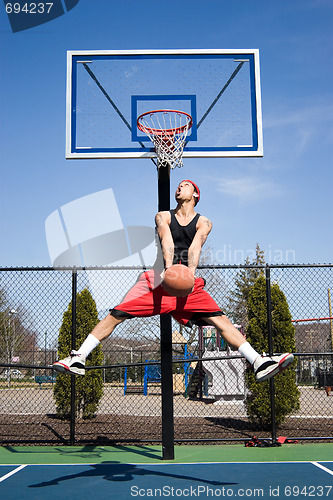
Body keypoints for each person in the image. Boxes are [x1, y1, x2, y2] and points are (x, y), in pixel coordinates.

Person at [53, 179, 294, 381]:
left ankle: (258, 362)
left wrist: (187, 273)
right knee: (116, 314)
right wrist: (170, 271)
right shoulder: (163, 216)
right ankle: (78, 358)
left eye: (185, 185)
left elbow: (195, 247)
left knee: (222, 321)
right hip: (158, 281)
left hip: (187, 285)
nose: (179, 188)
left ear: (195, 194)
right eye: (178, 185)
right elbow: (166, 240)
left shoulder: (204, 222)